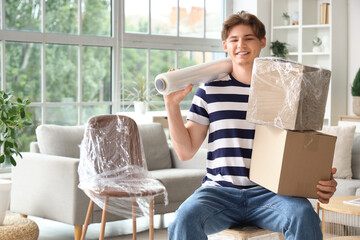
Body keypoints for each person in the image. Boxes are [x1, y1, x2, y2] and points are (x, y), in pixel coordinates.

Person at [164, 11, 337, 240]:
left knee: (303, 215)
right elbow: (185, 152)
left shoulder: (285, 90)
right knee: (182, 220)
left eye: (248, 38)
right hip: (218, 193)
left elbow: (303, 146)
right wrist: (171, 105)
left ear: (262, 42)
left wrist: (322, 179)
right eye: (234, 39)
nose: (241, 45)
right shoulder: (209, 90)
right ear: (225, 45)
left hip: (270, 194)